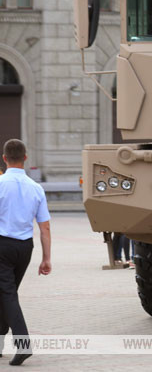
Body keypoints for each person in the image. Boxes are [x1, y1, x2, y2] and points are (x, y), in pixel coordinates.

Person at [0, 139, 52, 365]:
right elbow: (45, 227)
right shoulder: (36, 187)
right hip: (25, 248)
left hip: (2, 246)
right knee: (5, 294)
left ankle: (23, 345)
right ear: (26, 157)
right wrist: (46, 258)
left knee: (7, 295)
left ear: (4, 158)